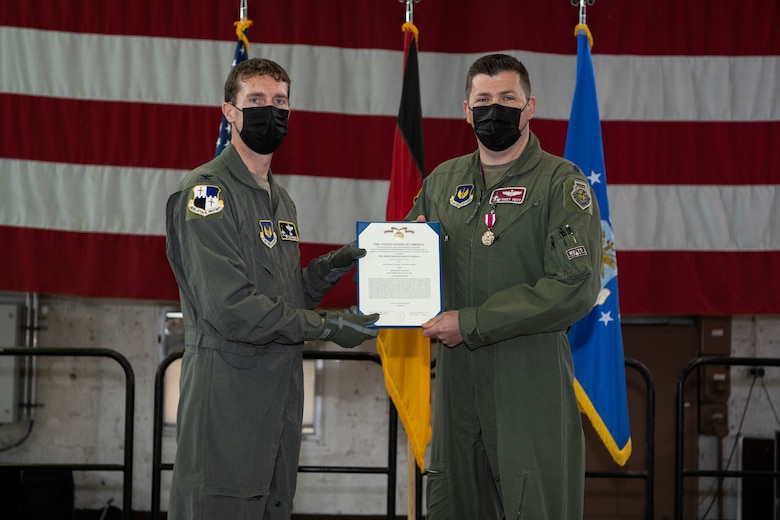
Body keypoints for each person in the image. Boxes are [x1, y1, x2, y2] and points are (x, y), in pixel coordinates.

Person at [165, 57, 379, 520]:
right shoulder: (207, 193)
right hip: (228, 394)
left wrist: (329, 268)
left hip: (279, 395)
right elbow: (231, 307)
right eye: (257, 100)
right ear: (230, 112)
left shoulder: (279, 200)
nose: (271, 110)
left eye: (280, 101)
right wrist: (326, 326)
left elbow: (280, 296)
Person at [409, 54, 602, 519]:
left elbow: (575, 286)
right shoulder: (441, 182)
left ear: (529, 106)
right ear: (466, 110)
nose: (494, 109)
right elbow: (407, 261)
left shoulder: (560, 183)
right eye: (483, 100)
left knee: (533, 505)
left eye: (508, 98)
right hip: (456, 385)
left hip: (528, 381)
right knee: (452, 506)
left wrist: (472, 322)